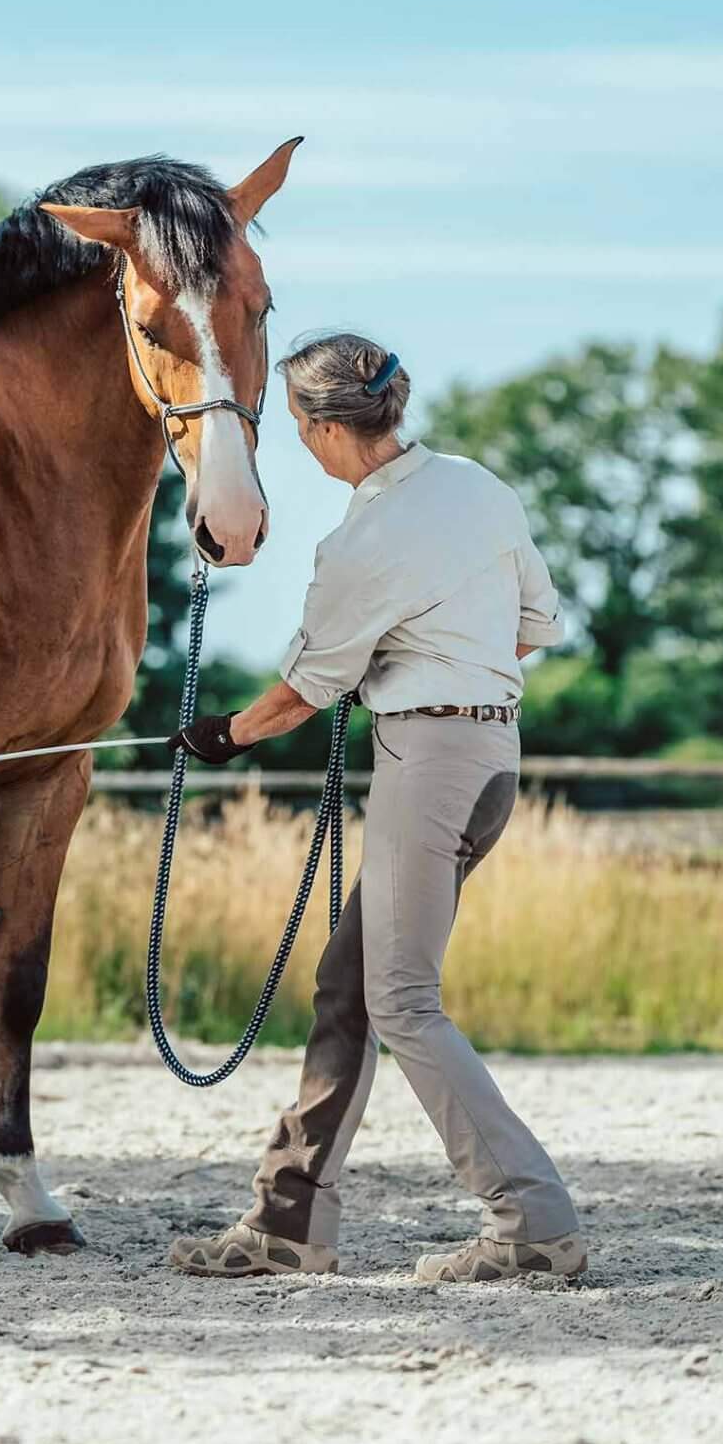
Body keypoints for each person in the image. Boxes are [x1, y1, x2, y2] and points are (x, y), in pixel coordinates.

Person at [163, 331, 587, 1284]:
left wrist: (223, 734)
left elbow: (300, 695)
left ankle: (532, 1223)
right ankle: (288, 1220)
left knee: (401, 999)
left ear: (319, 430)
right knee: (351, 985)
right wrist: (438, 664)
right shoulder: (481, 487)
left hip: (428, 765)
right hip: (492, 760)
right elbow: (534, 629)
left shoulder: (361, 542)